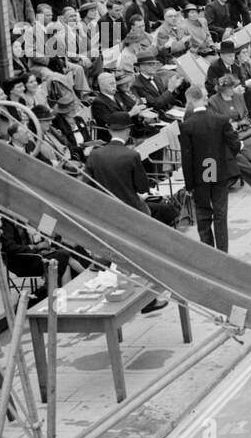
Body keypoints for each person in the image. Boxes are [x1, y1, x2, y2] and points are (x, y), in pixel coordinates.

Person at [84, 113, 174, 314]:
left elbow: (87, 185)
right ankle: (146, 299)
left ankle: (122, 294)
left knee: (120, 256)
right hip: (132, 212)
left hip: (107, 213)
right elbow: (142, 187)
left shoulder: (95, 155)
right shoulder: (131, 155)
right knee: (141, 256)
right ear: (127, 130)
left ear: (109, 130)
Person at [178, 85, 242, 252]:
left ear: (191, 100)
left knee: (203, 214)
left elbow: (187, 158)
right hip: (218, 172)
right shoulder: (220, 120)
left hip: (201, 176)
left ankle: (208, 251)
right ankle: (223, 251)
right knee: (220, 214)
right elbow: (235, 144)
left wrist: (189, 184)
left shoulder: (187, 125)